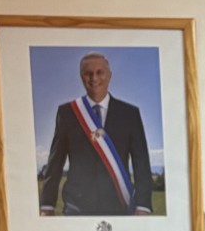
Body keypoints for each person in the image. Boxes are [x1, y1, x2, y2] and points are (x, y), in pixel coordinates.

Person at [38, 51, 155, 217]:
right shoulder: (67, 113)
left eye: (100, 72)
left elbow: (141, 163)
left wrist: (143, 205)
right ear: (81, 76)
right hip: (77, 206)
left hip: (119, 205)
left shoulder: (130, 114)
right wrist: (47, 205)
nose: (94, 78)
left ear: (109, 75)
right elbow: (55, 161)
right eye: (88, 73)